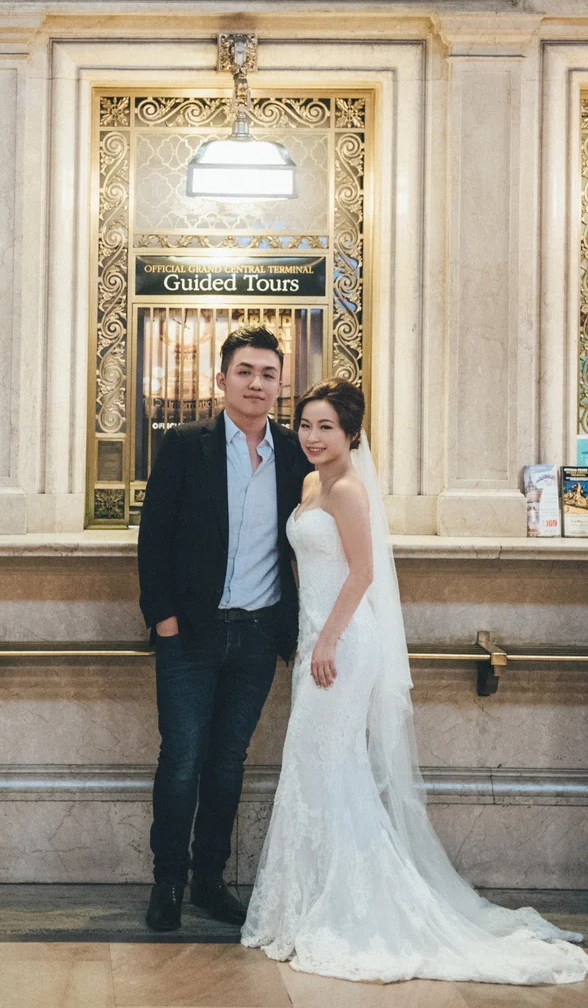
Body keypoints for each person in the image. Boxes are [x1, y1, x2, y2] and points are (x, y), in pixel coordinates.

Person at [242, 378, 588, 985]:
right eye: (306, 425)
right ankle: (310, 900)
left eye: (326, 427)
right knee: (315, 769)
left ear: (352, 434)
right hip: (316, 639)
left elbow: (363, 573)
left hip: (343, 645)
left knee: (330, 767)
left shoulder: (349, 491)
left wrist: (326, 641)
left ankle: (355, 908)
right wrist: (308, 637)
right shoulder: (310, 484)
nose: (313, 437)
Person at [137, 324, 312, 933]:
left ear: (280, 385)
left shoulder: (294, 452)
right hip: (190, 634)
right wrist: (163, 619)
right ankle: (168, 882)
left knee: (228, 764)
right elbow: (154, 537)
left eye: (268, 374)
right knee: (182, 760)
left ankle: (209, 882)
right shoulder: (187, 445)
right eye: (245, 371)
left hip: (259, 633)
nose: (256, 383)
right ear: (221, 379)